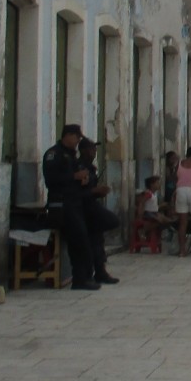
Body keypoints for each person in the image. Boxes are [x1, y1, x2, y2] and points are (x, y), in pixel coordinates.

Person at [41, 124, 103, 291]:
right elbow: (51, 180)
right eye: (76, 138)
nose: (77, 142)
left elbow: (79, 174)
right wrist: (73, 177)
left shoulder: (71, 156)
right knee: (79, 241)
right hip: (62, 205)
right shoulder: (54, 154)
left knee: (84, 239)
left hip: (75, 203)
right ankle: (81, 278)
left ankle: (83, 277)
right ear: (67, 135)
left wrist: (84, 179)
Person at [76, 138, 121, 281]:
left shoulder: (90, 168)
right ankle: (93, 271)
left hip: (92, 207)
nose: (94, 152)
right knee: (110, 222)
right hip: (84, 208)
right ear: (83, 150)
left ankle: (100, 271)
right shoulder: (79, 167)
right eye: (91, 149)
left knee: (97, 239)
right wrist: (95, 191)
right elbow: (77, 192)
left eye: (95, 149)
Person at [133, 176, 176, 245]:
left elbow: (153, 206)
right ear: (152, 185)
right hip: (148, 213)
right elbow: (142, 203)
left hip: (154, 213)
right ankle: (143, 231)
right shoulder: (148, 193)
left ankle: (154, 234)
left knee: (168, 221)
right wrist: (140, 215)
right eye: (157, 183)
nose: (159, 185)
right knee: (160, 221)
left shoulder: (154, 194)